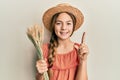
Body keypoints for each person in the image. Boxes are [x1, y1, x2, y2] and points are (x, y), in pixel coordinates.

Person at [36, 3, 89, 80]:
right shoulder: (44, 49)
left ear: (73, 26)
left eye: (68, 23)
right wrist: (40, 74)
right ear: (53, 26)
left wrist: (83, 61)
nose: (64, 27)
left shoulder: (78, 49)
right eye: (58, 23)